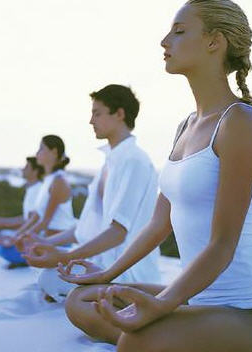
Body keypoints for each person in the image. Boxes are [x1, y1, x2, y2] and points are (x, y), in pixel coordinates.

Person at [58, 1, 252, 351]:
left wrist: (162, 305)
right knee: (81, 300)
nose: (165, 41)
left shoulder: (239, 123)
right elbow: (158, 223)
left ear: (215, 42)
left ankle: (152, 334)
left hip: (250, 312)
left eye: (179, 31)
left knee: (133, 343)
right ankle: (168, 333)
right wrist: (107, 274)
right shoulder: (186, 125)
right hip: (196, 300)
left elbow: (222, 245)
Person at [17, 84, 161, 302]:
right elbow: (83, 227)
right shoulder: (109, 163)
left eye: (97, 113)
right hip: (100, 263)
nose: (91, 121)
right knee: (47, 275)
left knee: (50, 278)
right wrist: (46, 243)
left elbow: (118, 233)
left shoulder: (134, 161)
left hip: (127, 271)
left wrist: (65, 255)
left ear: (119, 114)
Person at [0, 136, 77, 266]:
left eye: (41, 149)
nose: (37, 153)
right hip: (45, 240)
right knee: (3, 245)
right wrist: (16, 236)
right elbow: (35, 217)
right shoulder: (48, 180)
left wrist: (20, 239)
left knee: (6, 250)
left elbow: (45, 221)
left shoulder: (59, 181)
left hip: (59, 244)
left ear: (54, 152)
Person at [0, 156, 44, 256]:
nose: (22, 169)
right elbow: (27, 218)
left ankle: (7, 252)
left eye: (26, 167)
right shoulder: (32, 188)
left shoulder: (38, 189)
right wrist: (1, 221)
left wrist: (14, 235)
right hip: (31, 236)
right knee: (1, 235)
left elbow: (34, 221)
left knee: (4, 248)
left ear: (35, 171)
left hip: (37, 239)